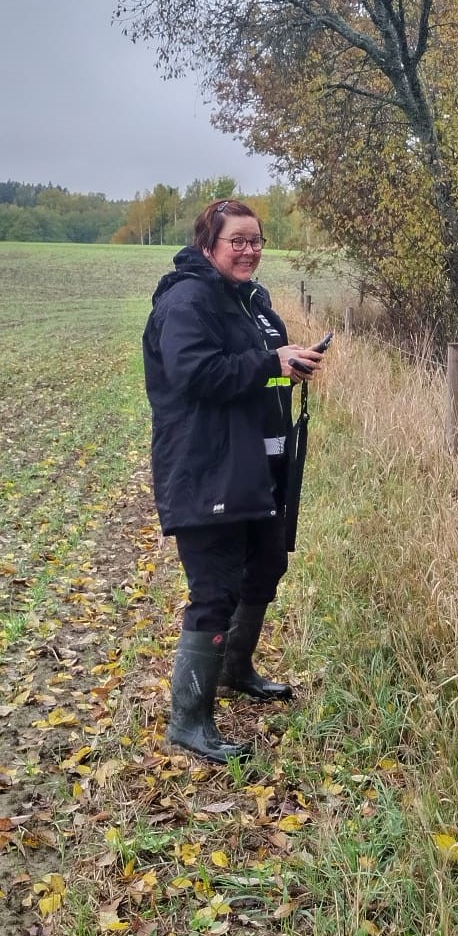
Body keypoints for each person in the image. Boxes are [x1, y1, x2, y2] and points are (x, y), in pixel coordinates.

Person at [142, 199, 325, 763]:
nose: (249, 251)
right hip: (206, 467)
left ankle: (234, 669)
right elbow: (195, 372)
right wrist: (272, 362)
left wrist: (291, 364)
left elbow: (260, 368)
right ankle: (189, 721)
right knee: (214, 589)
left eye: (256, 240)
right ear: (208, 246)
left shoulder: (253, 302)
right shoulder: (188, 300)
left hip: (259, 465)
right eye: (237, 241)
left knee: (266, 566)